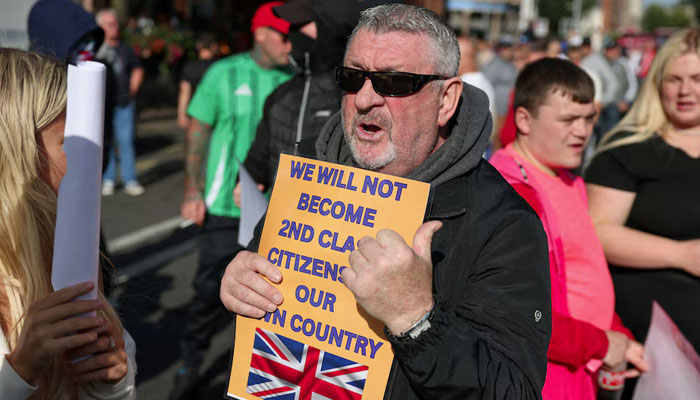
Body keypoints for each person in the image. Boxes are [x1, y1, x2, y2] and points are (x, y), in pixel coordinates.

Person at [221, 4, 551, 399]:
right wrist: (240, 283)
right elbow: (259, 299)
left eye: (393, 82)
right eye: (352, 77)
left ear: (445, 100)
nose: (364, 99)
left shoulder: (504, 222)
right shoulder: (306, 170)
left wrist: (417, 319)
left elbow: (513, 391)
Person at [489, 58, 649, 399]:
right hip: (546, 376)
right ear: (524, 119)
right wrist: (603, 343)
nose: (583, 131)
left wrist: (616, 334)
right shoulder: (514, 193)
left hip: (582, 363)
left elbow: (584, 275)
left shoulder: (567, 178)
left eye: (589, 118)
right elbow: (525, 312)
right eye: (568, 120)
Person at [171, 3, 293, 399]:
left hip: (273, 215)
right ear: (259, 34)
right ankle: (190, 364)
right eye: (282, 35)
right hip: (224, 209)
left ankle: (248, 378)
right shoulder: (223, 73)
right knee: (208, 297)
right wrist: (193, 190)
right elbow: (198, 133)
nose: (289, 43)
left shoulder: (295, 80)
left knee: (266, 301)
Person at [0, 48, 136, 400]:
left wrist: (114, 383)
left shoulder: (67, 266)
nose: (92, 159)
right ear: (20, 154)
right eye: (71, 143)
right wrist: (18, 372)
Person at [586, 28, 700, 371]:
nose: (685, 90)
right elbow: (597, 232)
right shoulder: (628, 151)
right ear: (657, 84)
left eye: (696, 78)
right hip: (652, 347)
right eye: (674, 79)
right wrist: (682, 255)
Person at [235, 0, 396, 203]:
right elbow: (260, 156)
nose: (292, 31)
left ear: (330, 29)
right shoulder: (280, 95)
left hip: (337, 222)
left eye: (302, 24)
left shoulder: (357, 97)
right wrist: (248, 180)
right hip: (282, 221)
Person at [96, 9, 145, 197]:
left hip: (124, 103)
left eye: (115, 23)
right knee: (105, 142)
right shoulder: (95, 48)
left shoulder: (126, 48)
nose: (114, 28)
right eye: (109, 24)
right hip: (103, 105)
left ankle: (130, 179)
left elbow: (138, 70)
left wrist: (131, 90)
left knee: (125, 141)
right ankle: (107, 179)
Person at [177, 33, 218, 130]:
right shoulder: (220, 67)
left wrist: (181, 115)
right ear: (214, 47)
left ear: (198, 47)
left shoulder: (189, 67)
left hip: (197, 113)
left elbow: (184, 93)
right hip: (217, 111)